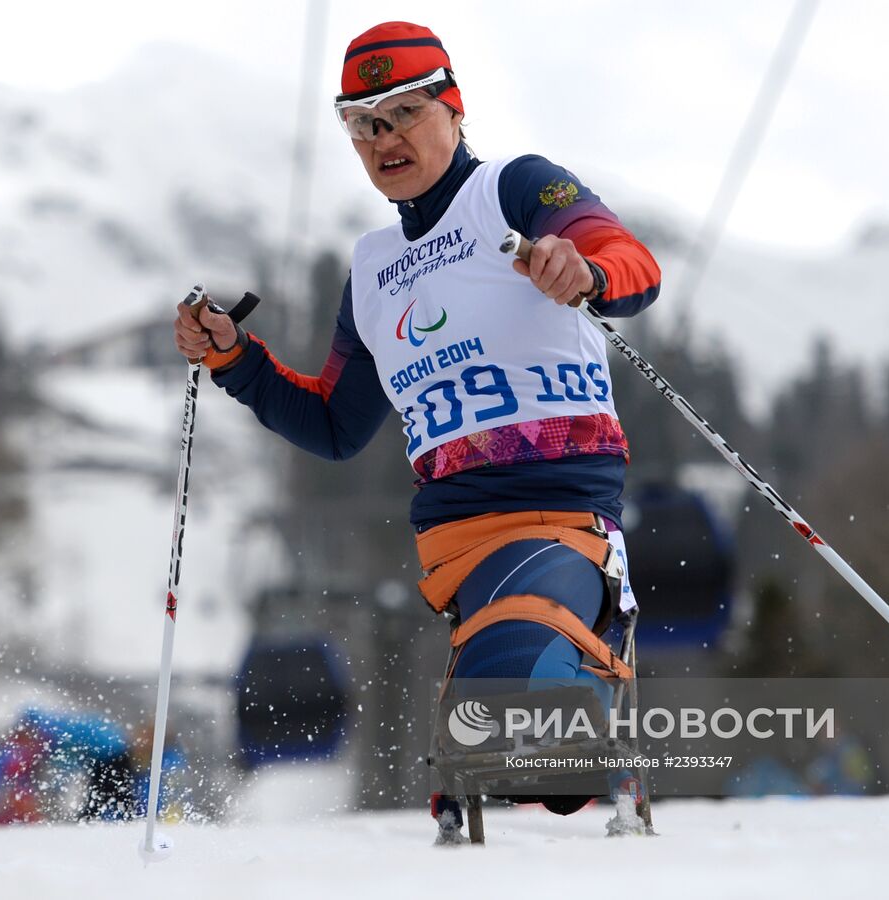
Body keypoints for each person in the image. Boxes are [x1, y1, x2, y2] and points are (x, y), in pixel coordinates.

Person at [173, 21, 660, 832]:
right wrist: (236, 359)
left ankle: (566, 732)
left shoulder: (514, 187)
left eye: (402, 112)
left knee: (516, 696)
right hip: (454, 546)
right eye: (361, 122)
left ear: (454, 107)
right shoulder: (370, 269)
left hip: (559, 515)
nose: (383, 138)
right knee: (497, 714)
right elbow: (334, 424)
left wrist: (589, 269)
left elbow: (631, 262)